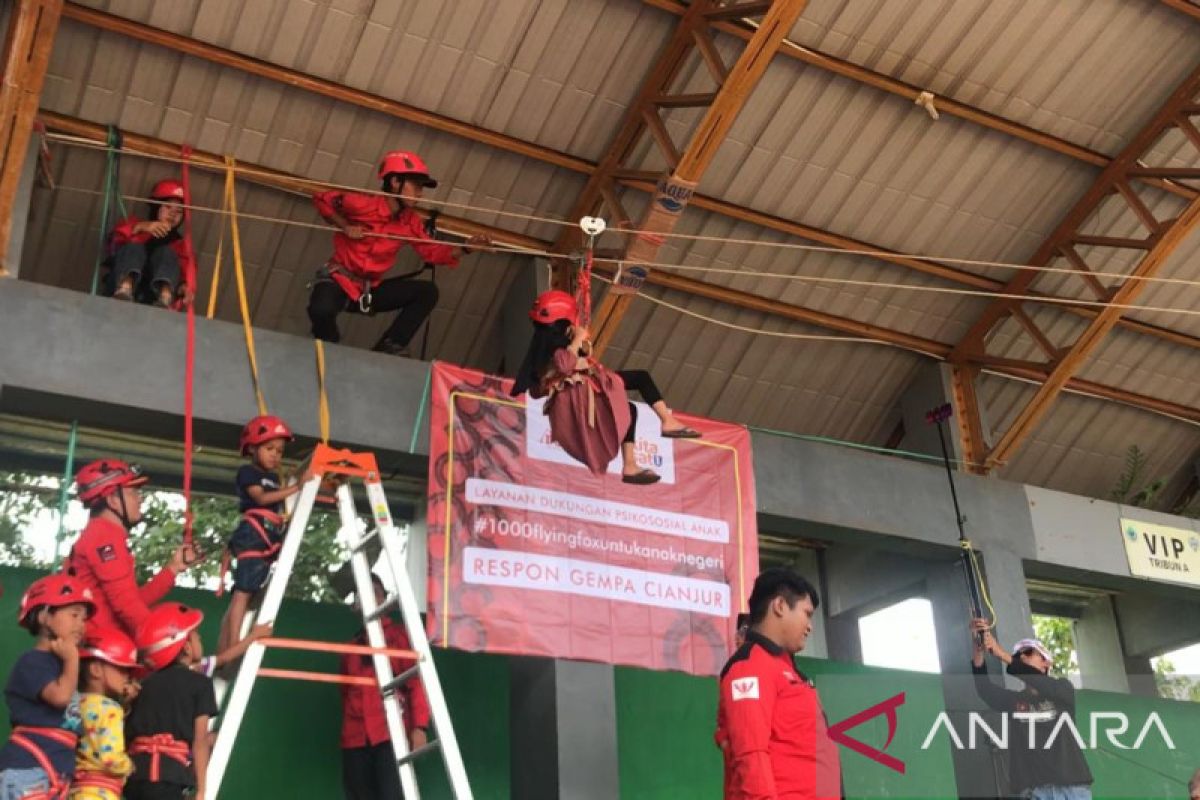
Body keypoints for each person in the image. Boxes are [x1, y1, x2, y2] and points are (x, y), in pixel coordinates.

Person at [308, 150, 489, 356]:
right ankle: (327, 345)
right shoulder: (361, 203)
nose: (420, 193)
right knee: (320, 310)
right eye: (416, 186)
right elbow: (321, 199)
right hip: (340, 280)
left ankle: (389, 347)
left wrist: (465, 248)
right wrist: (345, 225)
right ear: (395, 182)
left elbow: (432, 251)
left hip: (369, 290)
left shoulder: (410, 222)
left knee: (427, 292)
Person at [510, 290, 699, 484]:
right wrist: (578, 338)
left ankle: (631, 465)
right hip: (582, 393)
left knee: (629, 409)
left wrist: (576, 341)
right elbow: (565, 365)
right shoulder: (554, 345)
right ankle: (666, 423)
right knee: (640, 378)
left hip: (584, 390)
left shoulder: (543, 346)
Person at [717, 567, 840, 800]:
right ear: (780, 606)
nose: (810, 626)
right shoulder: (750, 667)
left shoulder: (788, 670)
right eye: (807, 613)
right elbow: (751, 753)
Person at [65, 459, 196, 640]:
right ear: (112, 500)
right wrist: (164, 641)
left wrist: (173, 568)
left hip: (101, 647)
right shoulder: (103, 536)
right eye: (133, 492)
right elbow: (126, 605)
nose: (140, 498)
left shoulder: (101, 534)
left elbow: (132, 601)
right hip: (101, 652)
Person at [970, 618, 1094, 800]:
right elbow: (984, 689)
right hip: (1035, 792)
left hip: (1072, 790)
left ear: (1046, 663)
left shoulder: (1062, 689)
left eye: (1028, 652)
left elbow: (1041, 682)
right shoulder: (1015, 701)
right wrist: (978, 649)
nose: (1021, 656)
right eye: (1017, 654)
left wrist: (1002, 654)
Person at [0, 574, 94, 800]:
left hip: (55, 772)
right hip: (27, 771)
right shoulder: (32, 661)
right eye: (74, 615)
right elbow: (60, 697)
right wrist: (73, 660)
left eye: (84, 618)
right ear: (44, 617)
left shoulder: (62, 665)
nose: (81, 624)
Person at [340, 574, 431, 800]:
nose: (370, 599)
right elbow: (345, 693)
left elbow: (416, 683)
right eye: (364, 594)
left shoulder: (399, 638)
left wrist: (419, 727)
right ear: (356, 604)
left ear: (385, 601)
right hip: (355, 739)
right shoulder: (350, 649)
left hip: (391, 733)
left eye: (376, 593)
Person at [217, 415, 302, 655]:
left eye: (279, 451)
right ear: (253, 448)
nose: (275, 455)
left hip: (267, 533)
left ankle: (227, 643)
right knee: (243, 592)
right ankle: (234, 644)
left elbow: (275, 502)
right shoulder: (248, 472)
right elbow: (262, 499)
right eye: (269, 448)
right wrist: (297, 487)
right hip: (253, 533)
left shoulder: (275, 478)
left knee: (247, 591)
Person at [125, 603, 219, 800]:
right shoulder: (200, 684)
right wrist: (201, 791)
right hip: (169, 779)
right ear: (185, 645)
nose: (200, 640)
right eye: (196, 636)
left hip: (134, 777)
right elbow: (200, 742)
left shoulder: (143, 684)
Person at [69, 627, 139, 800]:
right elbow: (110, 758)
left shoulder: (74, 703)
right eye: (121, 669)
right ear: (95, 670)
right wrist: (128, 766)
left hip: (75, 791)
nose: (126, 677)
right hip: (100, 794)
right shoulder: (110, 709)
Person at [106, 179, 194, 308]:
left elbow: (187, 275)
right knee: (135, 248)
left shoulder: (181, 246)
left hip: (153, 298)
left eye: (179, 211)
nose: (173, 214)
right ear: (156, 207)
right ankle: (125, 287)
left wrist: (185, 288)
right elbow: (113, 244)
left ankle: (165, 296)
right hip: (119, 288)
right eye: (168, 207)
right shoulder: (134, 224)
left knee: (166, 253)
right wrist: (141, 227)